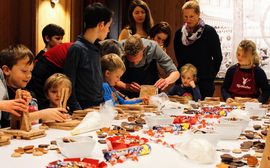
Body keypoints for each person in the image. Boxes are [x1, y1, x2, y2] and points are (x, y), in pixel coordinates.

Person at [0, 44, 68, 127]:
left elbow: (35, 122)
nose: (29, 75)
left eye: (31, 71)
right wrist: (42, 114)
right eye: (24, 71)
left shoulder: (29, 94)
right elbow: (9, 124)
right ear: (6, 70)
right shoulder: (3, 94)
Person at [63, 3, 113, 110]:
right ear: (101, 25)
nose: (108, 30)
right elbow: (69, 84)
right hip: (83, 108)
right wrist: (77, 110)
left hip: (98, 106)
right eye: (108, 27)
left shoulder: (97, 47)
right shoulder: (77, 48)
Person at [174, 0, 222, 99]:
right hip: (185, 83)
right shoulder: (179, 34)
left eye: (191, 16)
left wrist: (210, 76)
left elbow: (218, 57)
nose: (188, 20)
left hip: (204, 82)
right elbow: (179, 58)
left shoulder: (209, 32)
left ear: (198, 14)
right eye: (185, 16)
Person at [221, 40, 270, 104]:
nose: (240, 58)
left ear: (252, 56)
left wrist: (259, 100)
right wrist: (227, 97)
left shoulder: (258, 72)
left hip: (251, 107)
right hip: (233, 104)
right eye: (238, 54)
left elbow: (266, 91)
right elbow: (224, 88)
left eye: (244, 56)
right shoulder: (231, 70)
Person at [27, 42, 73, 110]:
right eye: (54, 92)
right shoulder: (44, 111)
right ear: (46, 95)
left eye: (62, 92)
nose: (58, 95)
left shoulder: (68, 109)